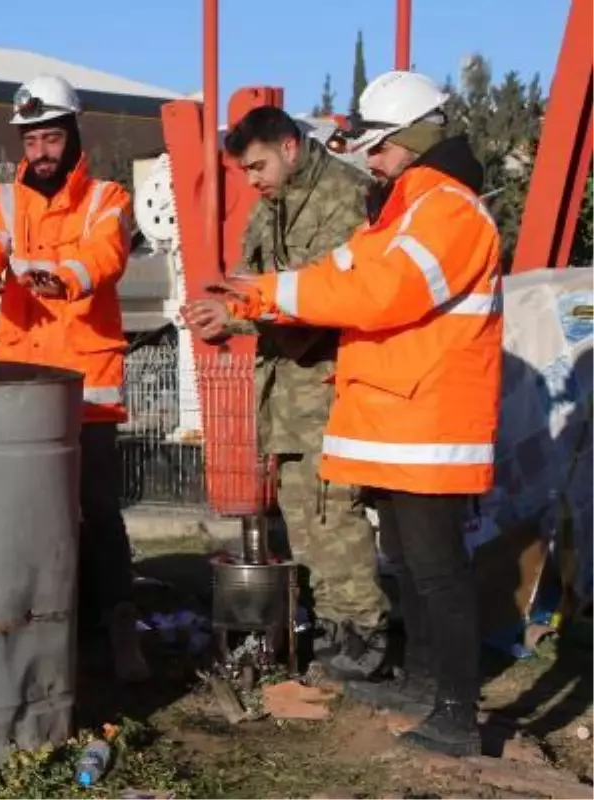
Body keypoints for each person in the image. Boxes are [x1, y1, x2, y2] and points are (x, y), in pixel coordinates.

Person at [183, 70, 501, 756]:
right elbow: (335, 278)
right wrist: (252, 294)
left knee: (438, 571)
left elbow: (382, 292)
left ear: (414, 139)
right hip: (401, 419)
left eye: (379, 147)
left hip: (430, 421)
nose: (370, 160)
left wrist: (263, 296)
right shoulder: (405, 209)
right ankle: (423, 687)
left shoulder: (447, 209)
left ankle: (456, 712)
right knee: (412, 565)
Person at [0, 74, 150, 683]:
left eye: (50, 138)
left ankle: (117, 621)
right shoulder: (5, 199)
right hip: (23, 386)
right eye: (31, 141)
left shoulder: (108, 198)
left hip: (86, 384)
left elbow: (106, 255)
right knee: (31, 510)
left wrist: (64, 277)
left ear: (72, 136)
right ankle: (44, 623)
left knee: (96, 507)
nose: (40, 152)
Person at [194, 106, 388, 681]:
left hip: (331, 384)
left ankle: (362, 636)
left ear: (290, 146)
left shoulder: (346, 198)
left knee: (334, 514)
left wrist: (245, 308)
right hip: (287, 393)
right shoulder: (270, 210)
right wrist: (224, 314)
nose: (253, 180)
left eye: (258, 166)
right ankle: (334, 631)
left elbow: (334, 298)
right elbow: (255, 293)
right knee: (307, 519)